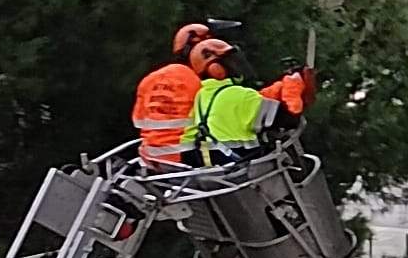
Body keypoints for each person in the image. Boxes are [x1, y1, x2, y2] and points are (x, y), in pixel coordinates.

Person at [182, 38, 316, 165]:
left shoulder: (201, 96)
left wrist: (278, 88)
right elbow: (289, 119)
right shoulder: (239, 95)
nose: (235, 66)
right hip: (249, 172)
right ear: (215, 69)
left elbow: (249, 104)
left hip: (218, 175)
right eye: (229, 62)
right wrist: (293, 85)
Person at [131, 21, 213, 167]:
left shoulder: (149, 79)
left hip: (148, 158)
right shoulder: (198, 82)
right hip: (184, 159)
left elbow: (138, 121)